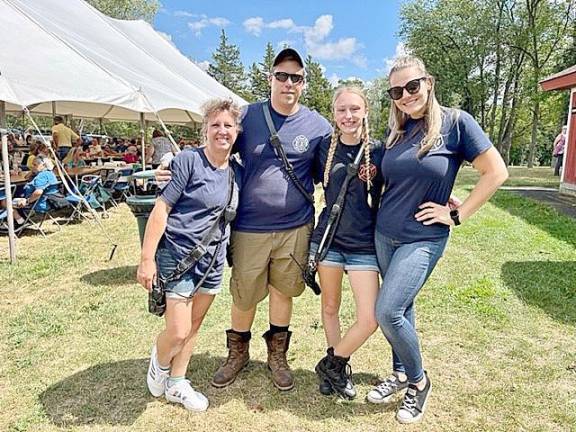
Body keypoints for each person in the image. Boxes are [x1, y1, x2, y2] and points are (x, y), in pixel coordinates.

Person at [156, 48, 332, 391]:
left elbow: (331, 173)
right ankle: (237, 354)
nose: (288, 83)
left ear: (304, 84)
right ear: (271, 79)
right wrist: (176, 162)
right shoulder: (248, 116)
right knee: (244, 295)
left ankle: (277, 356)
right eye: (281, 75)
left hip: (295, 227)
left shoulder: (317, 126)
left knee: (283, 293)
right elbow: (215, 148)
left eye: (296, 77)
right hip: (249, 227)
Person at [365, 56, 508, 424]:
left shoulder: (457, 123)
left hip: (423, 237)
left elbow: (496, 172)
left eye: (412, 86)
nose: (405, 96)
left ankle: (419, 381)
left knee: (387, 310)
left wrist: (456, 214)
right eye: (397, 91)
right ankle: (400, 373)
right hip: (385, 234)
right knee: (404, 308)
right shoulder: (398, 131)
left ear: (429, 82)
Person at [136, 99, 242, 412]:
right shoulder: (186, 161)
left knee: (194, 326)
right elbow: (161, 209)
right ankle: (160, 358)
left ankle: (177, 382)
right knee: (178, 330)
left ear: (236, 131)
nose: (222, 131)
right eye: (215, 125)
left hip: (213, 260)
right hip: (179, 257)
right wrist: (146, 259)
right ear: (204, 130)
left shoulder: (237, 172)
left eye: (228, 125)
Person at [311, 86, 383, 399]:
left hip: (364, 246)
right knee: (330, 306)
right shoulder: (322, 148)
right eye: (342, 110)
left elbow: (408, 181)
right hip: (330, 242)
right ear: (334, 114)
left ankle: (332, 364)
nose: (349, 116)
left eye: (355, 109)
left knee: (369, 318)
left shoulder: (380, 150)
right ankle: (337, 369)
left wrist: (442, 193)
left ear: (365, 111)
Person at [0, 156, 59, 229]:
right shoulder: (49, 173)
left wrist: (27, 201)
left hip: (35, 203)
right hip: (46, 202)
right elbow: (26, 178)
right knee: (9, 196)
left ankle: (19, 221)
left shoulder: (42, 176)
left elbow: (38, 192)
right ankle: (15, 221)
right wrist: (33, 171)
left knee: (4, 201)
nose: (32, 166)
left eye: (35, 165)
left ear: (43, 165)